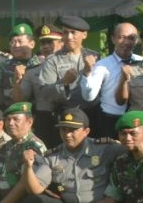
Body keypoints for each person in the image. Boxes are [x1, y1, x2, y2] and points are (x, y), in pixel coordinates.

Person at [14, 108, 121, 203]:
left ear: (86, 131)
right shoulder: (53, 156)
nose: (67, 134)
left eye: (73, 130)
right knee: (32, 202)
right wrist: (29, 167)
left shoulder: (106, 148)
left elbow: (133, 148)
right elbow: (35, 190)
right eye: (63, 129)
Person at [34, 15, 97, 147]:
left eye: (73, 33)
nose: (69, 37)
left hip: (93, 115)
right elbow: (44, 93)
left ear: (84, 35)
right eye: (65, 32)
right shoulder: (53, 61)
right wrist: (64, 83)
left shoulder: (96, 57)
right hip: (67, 118)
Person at [80, 22, 142, 139]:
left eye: (131, 38)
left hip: (136, 121)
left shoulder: (142, 62)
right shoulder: (102, 65)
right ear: (113, 39)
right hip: (110, 121)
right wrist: (87, 72)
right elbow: (89, 96)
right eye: (122, 37)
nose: (126, 42)